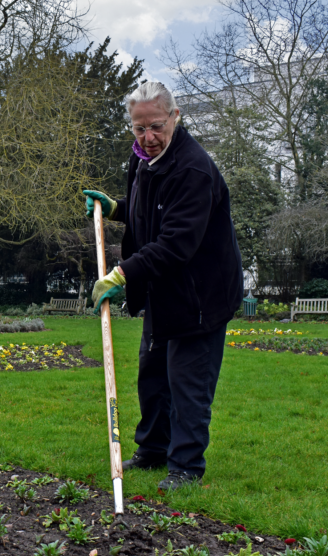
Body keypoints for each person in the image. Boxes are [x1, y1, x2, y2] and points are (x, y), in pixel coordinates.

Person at [83, 81, 243, 491]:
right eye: (139, 129)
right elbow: (149, 215)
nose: (148, 138)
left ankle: (186, 467)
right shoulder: (142, 160)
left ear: (175, 117)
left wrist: (122, 275)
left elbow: (175, 243)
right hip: (163, 290)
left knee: (188, 382)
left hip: (200, 295)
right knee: (153, 376)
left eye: (156, 126)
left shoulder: (193, 169)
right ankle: (154, 450)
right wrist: (116, 208)